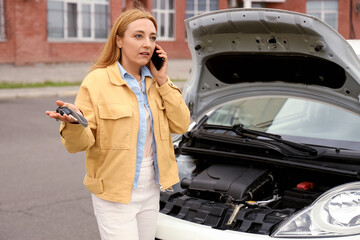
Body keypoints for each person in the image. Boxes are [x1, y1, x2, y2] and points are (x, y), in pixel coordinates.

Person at [45, 4, 190, 240]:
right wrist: (73, 124)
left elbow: (182, 124)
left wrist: (163, 80)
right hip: (113, 190)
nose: (147, 44)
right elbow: (78, 145)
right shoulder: (97, 81)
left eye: (152, 37)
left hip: (152, 187)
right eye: (138, 36)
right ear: (119, 41)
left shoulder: (158, 82)